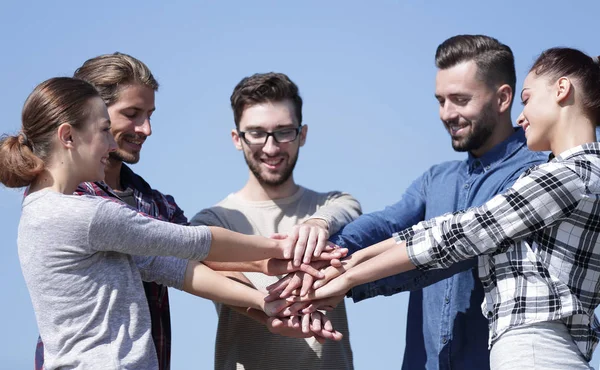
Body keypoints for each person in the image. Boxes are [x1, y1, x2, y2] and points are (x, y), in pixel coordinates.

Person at [304, 47, 600, 370]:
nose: (445, 113)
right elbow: (408, 226)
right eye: (440, 101)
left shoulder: (565, 174)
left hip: (535, 355)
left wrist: (348, 275)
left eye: (526, 99)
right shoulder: (440, 179)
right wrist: (336, 256)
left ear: (560, 90)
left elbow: (466, 235)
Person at [0, 77, 325, 369]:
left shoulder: (37, 211)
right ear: (68, 136)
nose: (111, 143)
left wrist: (263, 302)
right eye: (103, 130)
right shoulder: (88, 215)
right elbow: (191, 242)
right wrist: (278, 250)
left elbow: (166, 266)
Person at [191, 72, 360, 369]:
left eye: (283, 132)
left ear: (302, 134)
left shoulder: (332, 205)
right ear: (236, 139)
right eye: (256, 133)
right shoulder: (211, 222)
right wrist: (272, 305)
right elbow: (215, 275)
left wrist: (317, 224)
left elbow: (348, 209)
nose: (271, 148)